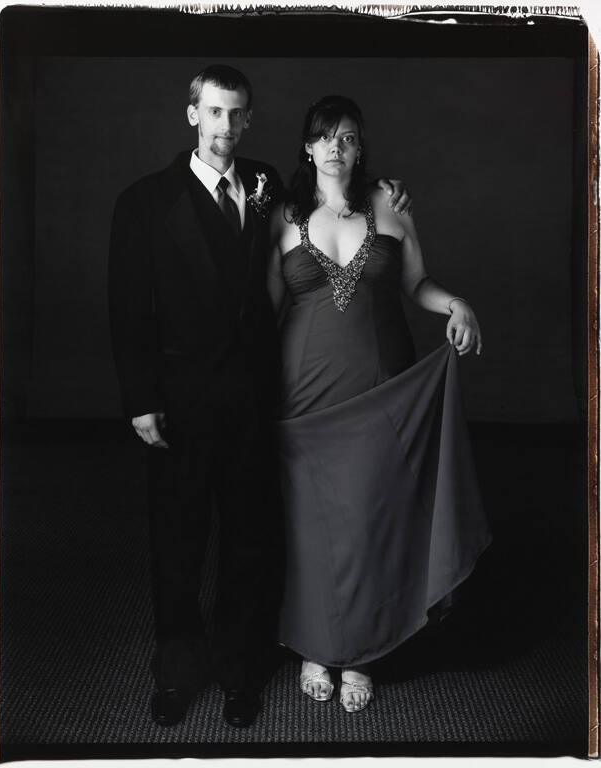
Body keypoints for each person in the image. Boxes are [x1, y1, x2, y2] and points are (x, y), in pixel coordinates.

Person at [108, 68, 411, 729]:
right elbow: (129, 311)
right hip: (181, 403)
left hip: (254, 398)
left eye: (237, 114)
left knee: (251, 541)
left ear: (248, 120)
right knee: (179, 542)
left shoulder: (269, 185)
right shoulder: (145, 201)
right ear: (193, 114)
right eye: (214, 112)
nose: (226, 125)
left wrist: (384, 189)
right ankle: (176, 672)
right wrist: (140, 398)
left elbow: (331, 192)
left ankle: (241, 669)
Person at [267, 95, 492, 714]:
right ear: (307, 147)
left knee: (372, 517)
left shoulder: (390, 204)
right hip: (305, 391)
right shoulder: (283, 215)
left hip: (381, 385)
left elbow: (417, 282)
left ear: (360, 146)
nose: (336, 147)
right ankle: (316, 647)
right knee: (311, 524)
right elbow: (264, 309)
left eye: (347, 136)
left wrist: (457, 304)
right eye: (325, 136)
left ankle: (360, 653)